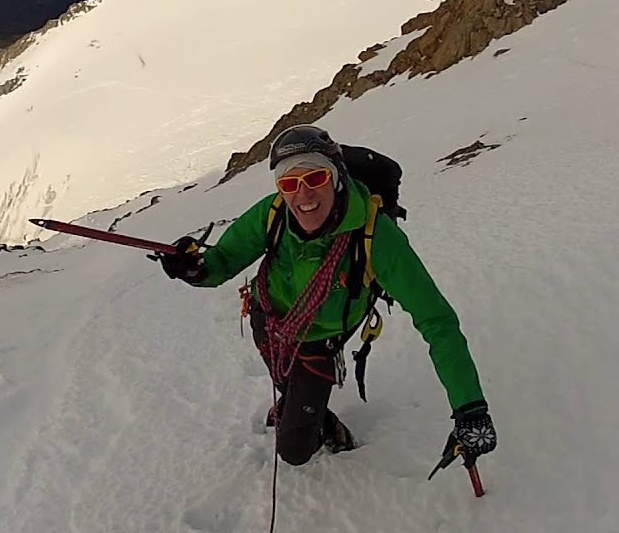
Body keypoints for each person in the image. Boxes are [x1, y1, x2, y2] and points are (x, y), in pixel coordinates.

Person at [159, 124, 496, 466]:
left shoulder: (376, 237)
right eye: (289, 184)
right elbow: (223, 261)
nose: (302, 195)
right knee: (285, 381)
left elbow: (435, 319)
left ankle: (319, 423)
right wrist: (195, 270)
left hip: (320, 340)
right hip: (269, 318)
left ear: (336, 178)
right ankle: (298, 404)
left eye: (315, 178)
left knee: (293, 452)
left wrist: (470, 406)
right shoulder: (273, 213)